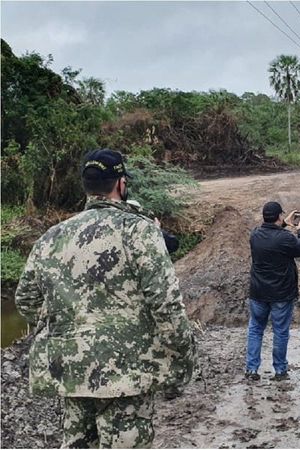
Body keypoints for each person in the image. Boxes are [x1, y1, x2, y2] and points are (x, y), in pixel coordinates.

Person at [15, 149, 196, 448]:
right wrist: (184, 358)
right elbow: (165, 302)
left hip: (72, 370)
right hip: (127, 372)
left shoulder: (51, 237)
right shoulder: (140, 231)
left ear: (87, 186)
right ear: (121, 185)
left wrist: (68, 326)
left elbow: (26, 300)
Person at [245, 202, 300, 381]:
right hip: (281, 293)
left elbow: (271, 233)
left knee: (255, 329)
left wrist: (283, 223)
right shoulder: (286, 238)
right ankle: (280, 370)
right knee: (280, 331)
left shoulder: (255, 235)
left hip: (258, 291)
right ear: (279, 216)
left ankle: (251, 369)